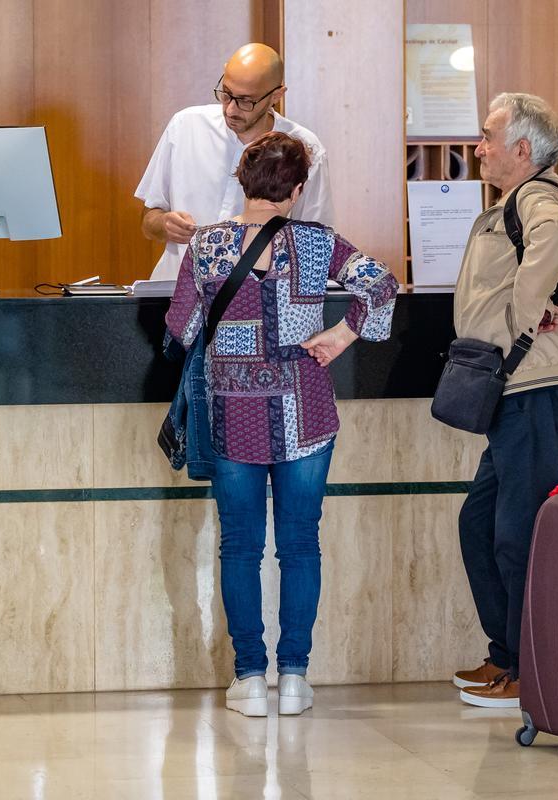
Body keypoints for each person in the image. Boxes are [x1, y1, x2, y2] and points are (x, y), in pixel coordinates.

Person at [165, 132, 398, 717]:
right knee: (300, 545)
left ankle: (248, 677)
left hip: (232, 412)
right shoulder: (319, 245)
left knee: (240, 547)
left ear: (242, 182)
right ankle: (294, 677)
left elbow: (183, 327)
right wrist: (342, 334)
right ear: (297, 191)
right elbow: (383, 285)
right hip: (307, 413)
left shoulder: (208, 247)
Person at [451, 93, 558, 708]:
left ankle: (528, 670)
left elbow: (553, 246)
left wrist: (524, 323)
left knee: (515, 533)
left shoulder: (541, 199)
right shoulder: (510, 203)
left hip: (540, 388)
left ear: (522, 149)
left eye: (487, 137)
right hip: (516, 391)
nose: (478, 148)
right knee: (481, 523)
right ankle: (507, 654)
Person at [136, 43, 334, 281]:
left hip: (257, 304)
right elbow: (148, 221)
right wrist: (164, 224)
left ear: (276, 96)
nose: (230, 109)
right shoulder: (184, 127)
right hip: (173, 291)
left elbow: (315, 243)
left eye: (245, 101)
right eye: (226, 93)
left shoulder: (303, 149)